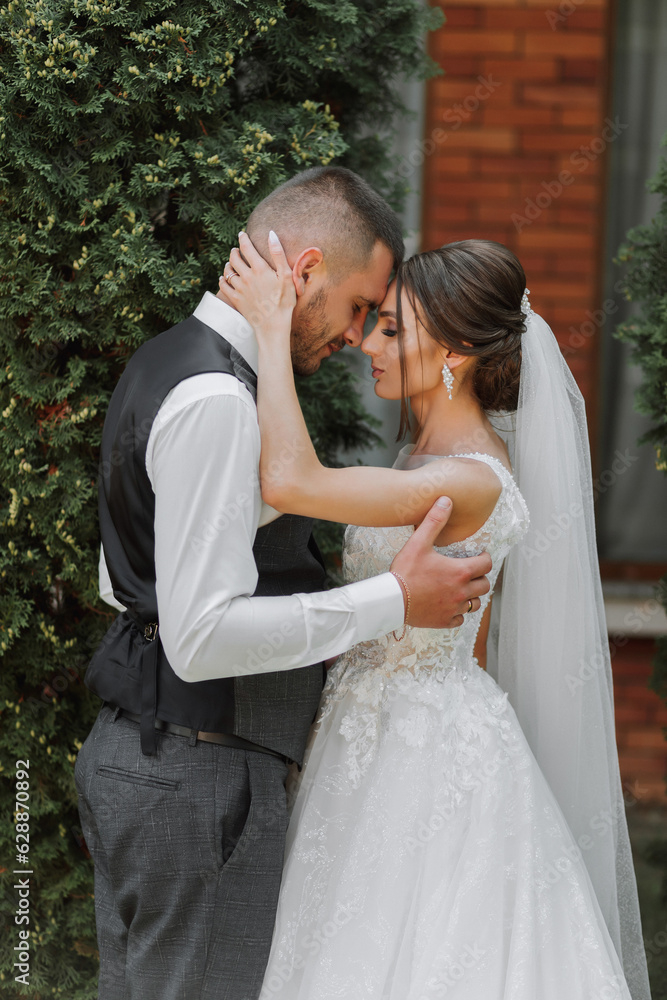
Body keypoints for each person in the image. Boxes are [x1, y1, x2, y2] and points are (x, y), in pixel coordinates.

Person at [73, 167, 494, 1000]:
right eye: (356, 309)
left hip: (147, 758)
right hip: (196, 779)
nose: (355, 336)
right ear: (302, 272)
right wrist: (389, 602)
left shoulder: (169, 361)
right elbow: (199, 640)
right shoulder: (221, 401)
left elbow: (122, 578)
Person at [223, 232, 651, 1000]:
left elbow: (288, 478)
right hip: (364, 733)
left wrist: (266, 322)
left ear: (454, 349)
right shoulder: (417, 459)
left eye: (392, 328)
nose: (368, 344)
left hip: (421, 753)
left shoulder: (467, 480)